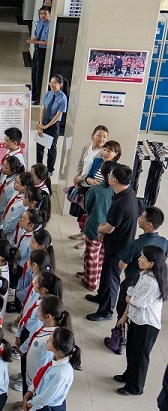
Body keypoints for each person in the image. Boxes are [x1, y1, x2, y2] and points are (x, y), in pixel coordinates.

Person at [87, 164, 138, 322]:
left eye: (109, 175)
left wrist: (99, 228)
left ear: (114, 180)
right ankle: (101, 297)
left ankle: (106, 311)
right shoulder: (127, 193)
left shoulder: (122, 203)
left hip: (118, 248)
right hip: (115, 243)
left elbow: (109, 228)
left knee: (111, 278)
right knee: (106, 274)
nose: (107, 177)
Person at [115, 246, 168, 395]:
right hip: (137, 319)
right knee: (132, 351)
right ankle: (129, 375)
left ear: (152, 263)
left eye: (143, 257)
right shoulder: (144, 274)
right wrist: (125, 314)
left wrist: (129, 298)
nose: (139, 259)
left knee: (140, 357)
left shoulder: (152, 283)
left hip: (147, 325)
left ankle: (135, 387)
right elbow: (131, 293)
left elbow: (137, 302)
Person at [23, 327, 81, 411]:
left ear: (58, 349)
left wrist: (32, 404)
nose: (47, 341)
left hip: (47, 406)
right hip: (41, 399)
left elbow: (47, 396)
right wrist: (31, 390)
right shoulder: (56, 358)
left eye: (50, 340)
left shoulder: (61, 374)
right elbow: (42, 377)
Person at [68, 125, 109, 243]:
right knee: (82, 212)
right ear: (92, 136)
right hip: (82, 182)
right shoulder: (87, 147)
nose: (101, 139)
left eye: (104, 137)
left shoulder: (103, 154)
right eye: (99, 135)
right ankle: (82, 233)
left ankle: (87, 238)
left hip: (91, 185)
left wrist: (80, 178)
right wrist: (77, 177)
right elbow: (80, 163)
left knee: (89, 212)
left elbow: (93, 172)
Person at [79, 161, 115, 292]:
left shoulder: (95, 189)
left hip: (95, 226)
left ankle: (91, 282)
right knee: (101, 255)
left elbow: (87, 207)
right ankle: (96, 277)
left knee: (91, 256)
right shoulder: (117, 191)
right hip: (110, 228)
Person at [36, 75, 67, 174]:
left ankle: (50, 169)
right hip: (43, 121)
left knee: (51, 148)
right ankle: (38, 167)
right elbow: (42, 109)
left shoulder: (63, 98)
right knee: (39, 146)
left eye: (54, 83)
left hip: (53, 124)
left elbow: (58, 116)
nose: (52, 85)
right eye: (51, 82)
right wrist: (41, 125)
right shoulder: (47, 94)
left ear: (60, 85)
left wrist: (46, 126)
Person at [27, 8, 51, 104]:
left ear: (50, 14)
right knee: (34, 72)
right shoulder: (40, 23)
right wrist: (34, 40)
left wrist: (36, 42)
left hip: (44, 51)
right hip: (37, 50)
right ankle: (34, 94)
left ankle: (39, 97)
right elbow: (36, 35)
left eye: (45, 13)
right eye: (41, 13)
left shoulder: (50, 25)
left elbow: (48, 42)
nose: (43, 16)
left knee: (39, 74)